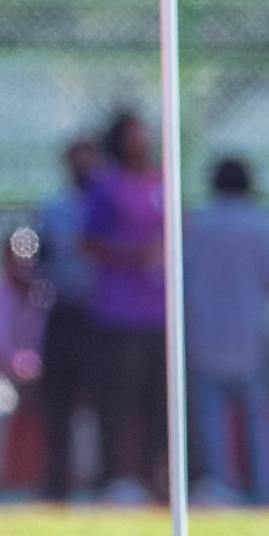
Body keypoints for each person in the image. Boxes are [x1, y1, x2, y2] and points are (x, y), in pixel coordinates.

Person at [184, 158, 269, 505]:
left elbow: (183, 276)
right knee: (258, 416)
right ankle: (266, 489)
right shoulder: (262, 224)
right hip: (250, 330)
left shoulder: (201, 225)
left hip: (207, 330)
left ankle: (221, 487)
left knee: (211, 415)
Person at [82, 111, 168, 504]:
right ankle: (115, 476)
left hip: (160, 311)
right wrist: (134, 255)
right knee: (117, 399)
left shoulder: (162, 182)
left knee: (159, 401)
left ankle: (157, 476)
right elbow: (89, 242)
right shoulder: (106, 185)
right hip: (119, 311)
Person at [35, 139, 98, 501]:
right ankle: (57, 481)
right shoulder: (54, 208)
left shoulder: (107, 206)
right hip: (64, 310)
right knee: (57, 400)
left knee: (100, 402)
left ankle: (101, 479)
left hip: (103, 314)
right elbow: (38, 257)